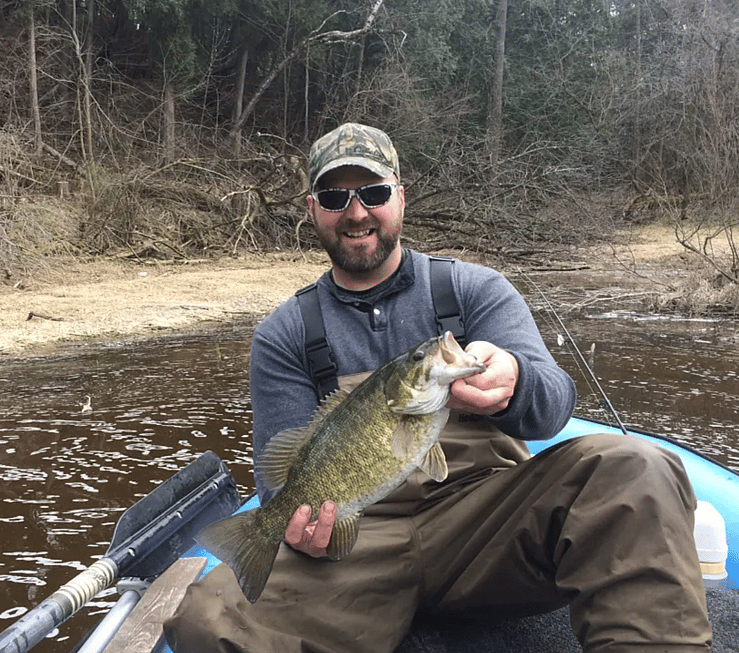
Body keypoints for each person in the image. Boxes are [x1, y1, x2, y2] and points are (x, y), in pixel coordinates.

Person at [164, 123, 711, 653]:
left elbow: (552, 405)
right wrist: (299, 531)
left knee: (636, 468)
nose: (356, 213)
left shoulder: (474, 289)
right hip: (353, 548)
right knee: (205, 620)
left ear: (401, 198)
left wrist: (516, 383)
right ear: (312, 210)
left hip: (484, 527)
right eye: (334, 198)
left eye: (373, 192)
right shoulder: (285, 333)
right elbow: (277, 476)